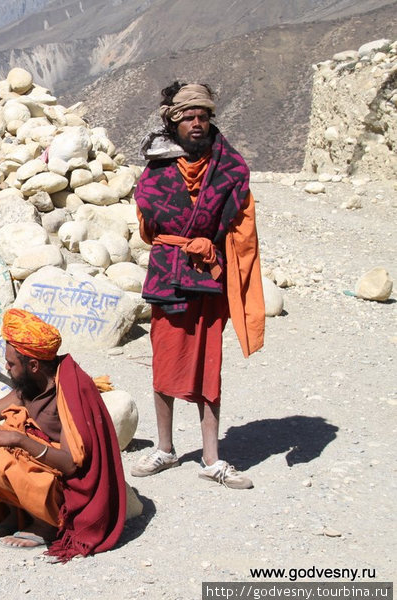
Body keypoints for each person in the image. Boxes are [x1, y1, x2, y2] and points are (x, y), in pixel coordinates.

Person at [132, 82, 265, 489]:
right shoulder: (156, 170)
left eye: (203, 116)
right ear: (173, 122)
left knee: (209, 366)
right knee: (164, 361)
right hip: (168, 272)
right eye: (188, 117)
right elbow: (147, 227)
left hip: (209, 275)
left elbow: (241, 220)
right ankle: (166, 449)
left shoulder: (229, 168)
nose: (196, 123)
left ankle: (212, 458)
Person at [0, 309, 126, 560]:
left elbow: (71, 465)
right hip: (36, 465)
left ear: (34, 365)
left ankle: (45, 523)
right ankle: (12, 513)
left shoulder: (70, 389)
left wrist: (17, 439)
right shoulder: (30, 384)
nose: (6, 367)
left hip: (61, 484)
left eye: (11, 364)